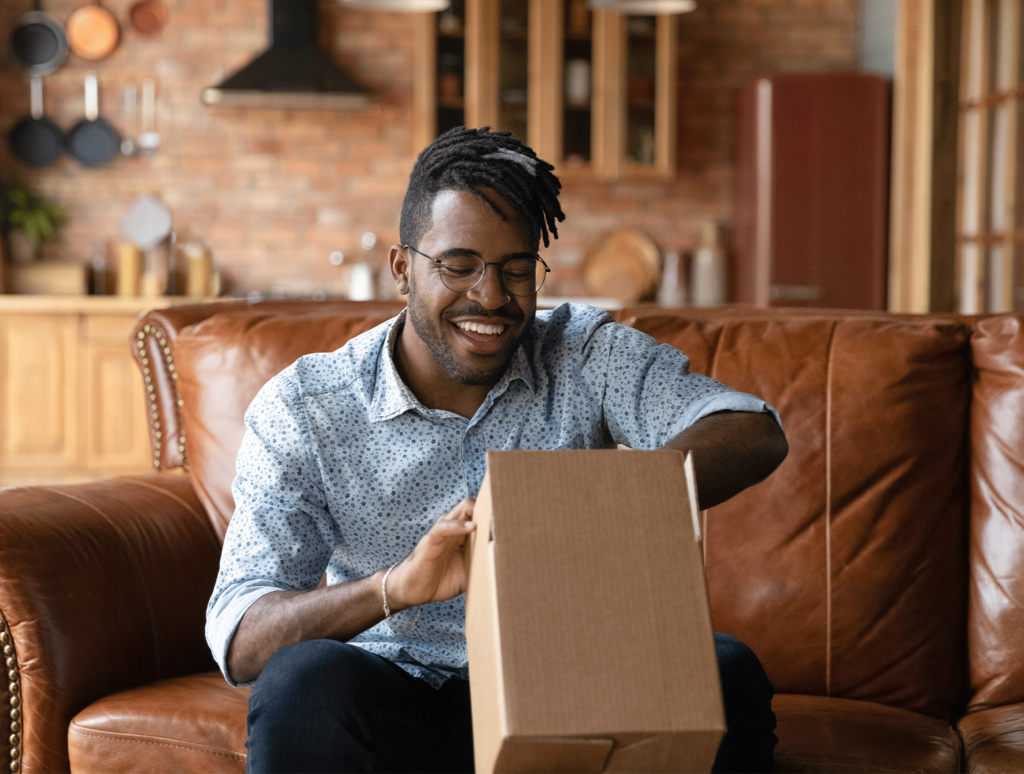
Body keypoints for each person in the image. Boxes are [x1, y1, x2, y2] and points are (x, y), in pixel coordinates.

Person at [206, 126, 788, 774]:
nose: (490, 296)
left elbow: (750, 427)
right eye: (459, 267)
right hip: (400, 698)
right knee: (303, 682)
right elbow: (242, 635)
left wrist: (602, 499)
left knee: (724, 669)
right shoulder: (308, 406)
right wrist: (393, 589)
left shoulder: (585, 352)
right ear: (403, 267)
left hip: (573, 692)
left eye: (516, 270)